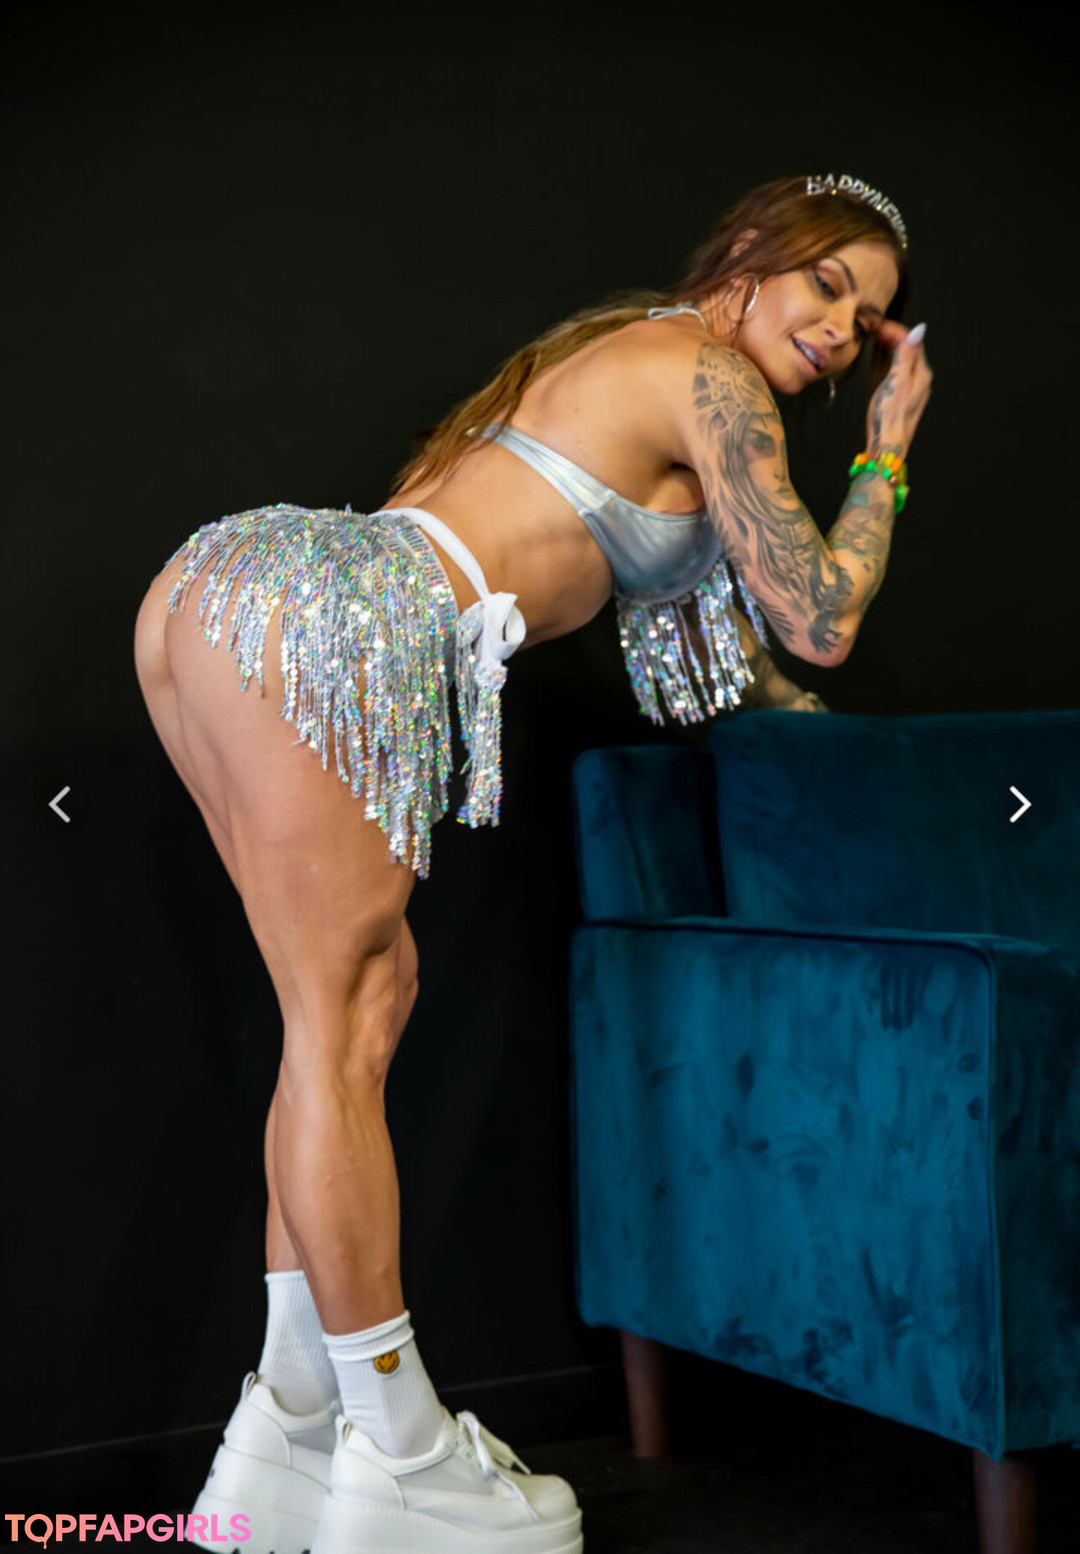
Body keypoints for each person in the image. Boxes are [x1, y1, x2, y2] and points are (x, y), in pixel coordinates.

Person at [132, 171, 932, 1554]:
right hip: (333, 617)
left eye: (869, 321)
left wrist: (795, 715)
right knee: (341, 1024)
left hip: (221, 595)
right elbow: (820, 615)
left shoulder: (613, 353)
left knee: (351, 1017)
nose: (843, 329)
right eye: (827, 283)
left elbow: (722, 646)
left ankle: (282, 1442)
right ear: (750, 256)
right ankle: (402, 1453)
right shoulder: (708, 373)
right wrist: (888, 448)